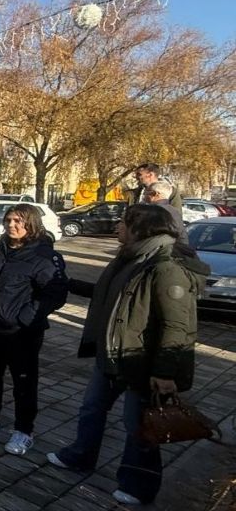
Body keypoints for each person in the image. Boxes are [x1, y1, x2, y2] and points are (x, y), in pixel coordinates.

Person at [47, 204, 208, 506]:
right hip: (112, 353)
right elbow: (113, 297)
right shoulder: (129, 257)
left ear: (141, 228)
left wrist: (164, 372)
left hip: (141, 362)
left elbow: (177, 325)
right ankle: (80, 456)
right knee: (92, 409)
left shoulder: (166, 266)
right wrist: (70, 284)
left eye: (124, 222)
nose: (118, 226)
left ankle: (138, 484)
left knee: (139, 425)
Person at [0, 204, 68, 456]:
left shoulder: (43, 256)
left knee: (24, 381)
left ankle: (24, 430)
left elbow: (55, 293)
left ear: (31, 224)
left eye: (18, 221)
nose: (11, 225)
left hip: (22, 333)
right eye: (8, 220)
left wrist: (26, 317)